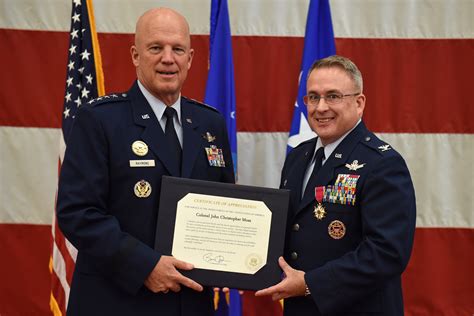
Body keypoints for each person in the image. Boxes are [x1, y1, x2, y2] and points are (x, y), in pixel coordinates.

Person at [57, 8, 234, 316]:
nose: (168, 58)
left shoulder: (209, 124)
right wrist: (145, 266)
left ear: (190, 58)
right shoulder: (99, 120)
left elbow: (223, 203)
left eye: (178, 49)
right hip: (118, 301)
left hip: (190, 303)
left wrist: (229, 259)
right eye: (156, 48)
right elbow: (78, 213)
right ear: (135, 55)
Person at [255, 55, 416, 315]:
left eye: (333, 96)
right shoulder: (298, 157)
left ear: (359, 103)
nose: (320, 108)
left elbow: (387, 253)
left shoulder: (383, 164)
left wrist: (310, 284)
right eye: (313, 97)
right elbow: (291, 230)